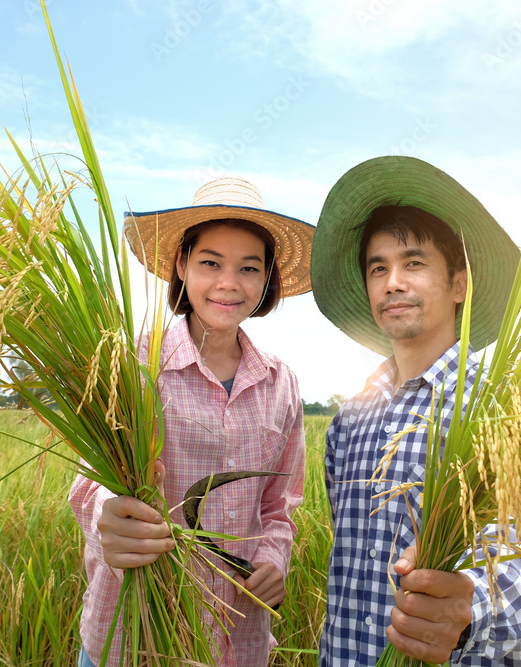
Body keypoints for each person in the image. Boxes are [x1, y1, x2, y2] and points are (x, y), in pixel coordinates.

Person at [310, 156, 521, 666]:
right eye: (378, 268)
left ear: (459, 284)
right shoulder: (348, 422)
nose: (393, 281)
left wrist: (470, 606)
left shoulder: (501, 409)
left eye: (413, 263)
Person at [69, 177, 313, 667]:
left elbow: (279, 506)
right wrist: (109, 515)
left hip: (239, 640)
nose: (229, 282)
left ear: (266, 280)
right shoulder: (134, 364)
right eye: (210, 263)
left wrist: (273, 558)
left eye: (249, 267)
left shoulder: (281, 383)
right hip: (135, 639)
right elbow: (88, 489)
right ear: (181, 265)